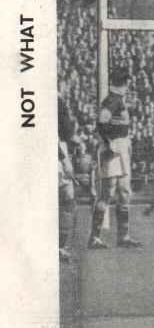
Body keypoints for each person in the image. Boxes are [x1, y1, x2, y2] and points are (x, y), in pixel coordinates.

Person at [88, 67, 142, 249]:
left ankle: (124, 236)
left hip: (122, 146)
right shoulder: (112, 100)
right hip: (113, 148)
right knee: (108, 191)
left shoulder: (118, 100)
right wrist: (108, 143)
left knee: (124, 191)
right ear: (123, 83)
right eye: (127, 82)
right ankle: (94, 237)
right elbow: (101, 122)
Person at [58, 93, 78, 262]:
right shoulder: (56, 102)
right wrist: (64, 160)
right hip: (58, 154)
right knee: (67, 199)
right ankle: (60, 247)